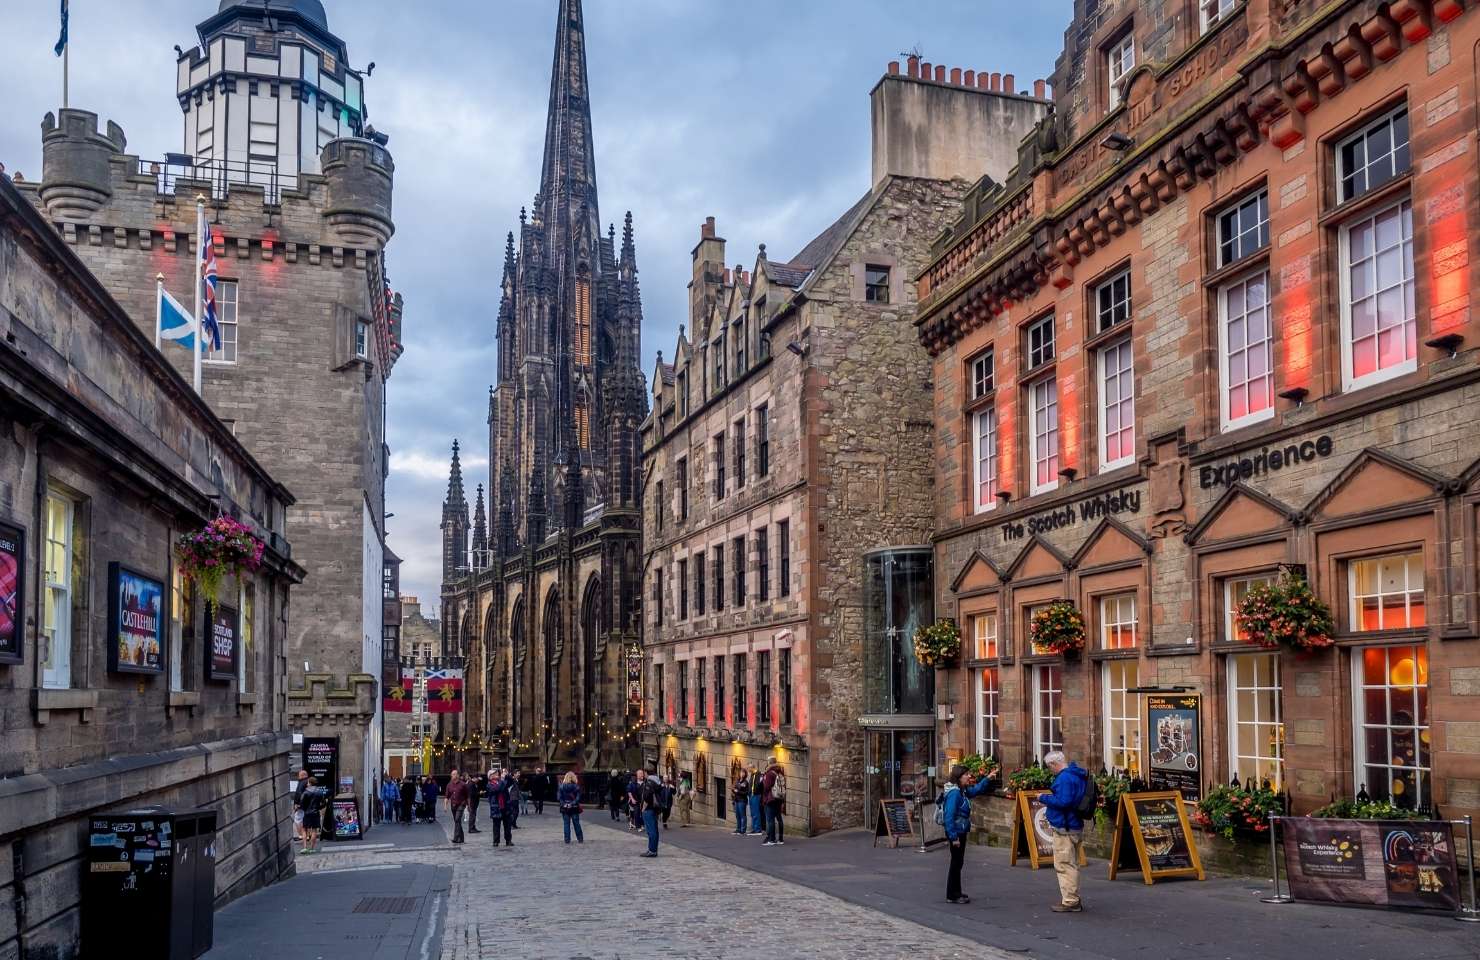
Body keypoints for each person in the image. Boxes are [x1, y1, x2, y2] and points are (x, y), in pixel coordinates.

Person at [1039, 751, 1092, 913]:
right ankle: (1072, 897)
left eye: (1050, 767)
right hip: (1074, 824)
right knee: (1072, 863)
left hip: (1065, 827)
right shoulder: (1076, 775)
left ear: (1053, 764)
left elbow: (1063, 801)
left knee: (1064, 864)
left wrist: (1043, 797)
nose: (1051, 771)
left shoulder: (1064, 778)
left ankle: (1070, 901)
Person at [942, 762, 999, 904]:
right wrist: (953, 837)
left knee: (958, 862)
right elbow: (949, 816)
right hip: (957, 831)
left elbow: (976, 790)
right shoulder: (955, 793)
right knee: (956, 863)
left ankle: (956, 892)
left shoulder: (962, 791)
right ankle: (952, 895)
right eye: (966, 774)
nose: (969, 776)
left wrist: (988, 778)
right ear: (959, 777)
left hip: (961, 830)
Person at [637, 768, 662, 857]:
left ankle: (652, 850)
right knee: (654, 830)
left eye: (644, 773)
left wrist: (643, 807)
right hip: (654, 808)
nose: (644, 775)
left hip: (649, 809)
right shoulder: (657, 781)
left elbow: (647, 796)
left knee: (651, 830)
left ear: (647, 773)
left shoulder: (650, 782)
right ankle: (653, 849)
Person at [487, 768, 515, 847]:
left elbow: (511, 782)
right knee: (496, 826)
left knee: (507, 826)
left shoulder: (502, 782)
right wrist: (502, 780)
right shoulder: (489, 785)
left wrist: (507, 775)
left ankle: (508, 840)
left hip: (505, 807)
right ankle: (496, 841)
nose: (497, 775)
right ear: (490, 776)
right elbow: (497, 789)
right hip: (496, 808)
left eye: (497, 773)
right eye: (495, 774)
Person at [299, 776, 327, 854]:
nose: (307, 784)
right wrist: (318, 808)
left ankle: (305, 847)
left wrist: (305, 809)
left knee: (304, 829)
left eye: (308, 782)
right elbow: (324, 803)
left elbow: (301, 803)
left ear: (310, 783)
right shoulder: (319, 792)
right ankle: (311, 848)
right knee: (314, 830)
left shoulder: (306, 792)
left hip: (307, 813)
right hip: (315, 813)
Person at [762, 758, 786, 846]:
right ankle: (780, 839)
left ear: (769, 763)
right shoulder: (780, 772)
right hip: (778, 798)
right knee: (779, 818)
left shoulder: (769, 774)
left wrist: (764, 796)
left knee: (770, 819)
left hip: (771, 799)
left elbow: (767, 787)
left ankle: (771, 839)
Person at [558, 771, 585, 844]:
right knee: (576, 824)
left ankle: (567, 839)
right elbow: (578, 797)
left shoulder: (561, 786)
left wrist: (564, 804)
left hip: (565, 808)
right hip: (574, 807)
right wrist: (572, 803)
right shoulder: (576, 786)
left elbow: (559, 798)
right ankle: (580, 839)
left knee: (566, 824)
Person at [446, 770, 469, 844]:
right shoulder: (449, 785)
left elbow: (467, 795)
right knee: (457, 821)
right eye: (452, 774)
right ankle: (461, 838)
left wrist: (468, 805)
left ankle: (455, 838)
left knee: (457, 819)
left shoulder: (463, 784)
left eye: (454, 774)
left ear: (457, 775)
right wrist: (445, 806)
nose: (452, 776)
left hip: (461, 804)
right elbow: (447, 796)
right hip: (453, 805)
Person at [748, 766, 764, 836]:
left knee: (756, 812)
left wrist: (756, 791)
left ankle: (758, 829)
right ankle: (755, 828)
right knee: (753, 813)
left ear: (752, 768)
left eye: (749, 768)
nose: (748, 770)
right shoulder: (752, 775)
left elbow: (759, 784)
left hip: (756, 795)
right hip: (751, 795)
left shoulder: (758, 774)